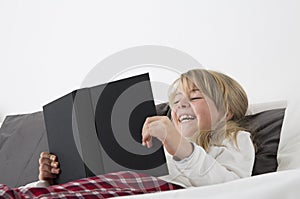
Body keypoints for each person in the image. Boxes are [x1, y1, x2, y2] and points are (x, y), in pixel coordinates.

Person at [38, 69, 255, 188]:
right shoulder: (155, 145)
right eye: (176, 100)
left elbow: (233, 188)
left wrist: (182, 148)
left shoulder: (234, 138)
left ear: (226, 112)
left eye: (195, 97)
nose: (180, 105)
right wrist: (49, 180)